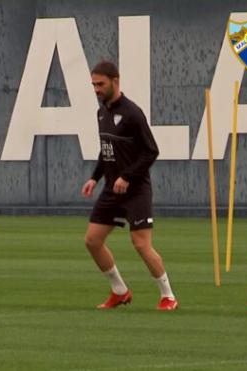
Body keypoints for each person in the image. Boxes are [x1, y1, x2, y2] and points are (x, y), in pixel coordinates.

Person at [81, 61, 178, 310]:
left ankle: (168, 296)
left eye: (100, 84)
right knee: (92, 241)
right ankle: (120, 291)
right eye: (94, 84)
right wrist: (94, 177)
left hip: (135, 190)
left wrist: (127, 176)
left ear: (115, 81)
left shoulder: (133, 113)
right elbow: (107, 151)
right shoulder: (101, 112)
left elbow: (151, 152)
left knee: (140, 244)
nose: (96, 89)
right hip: (112, 190)